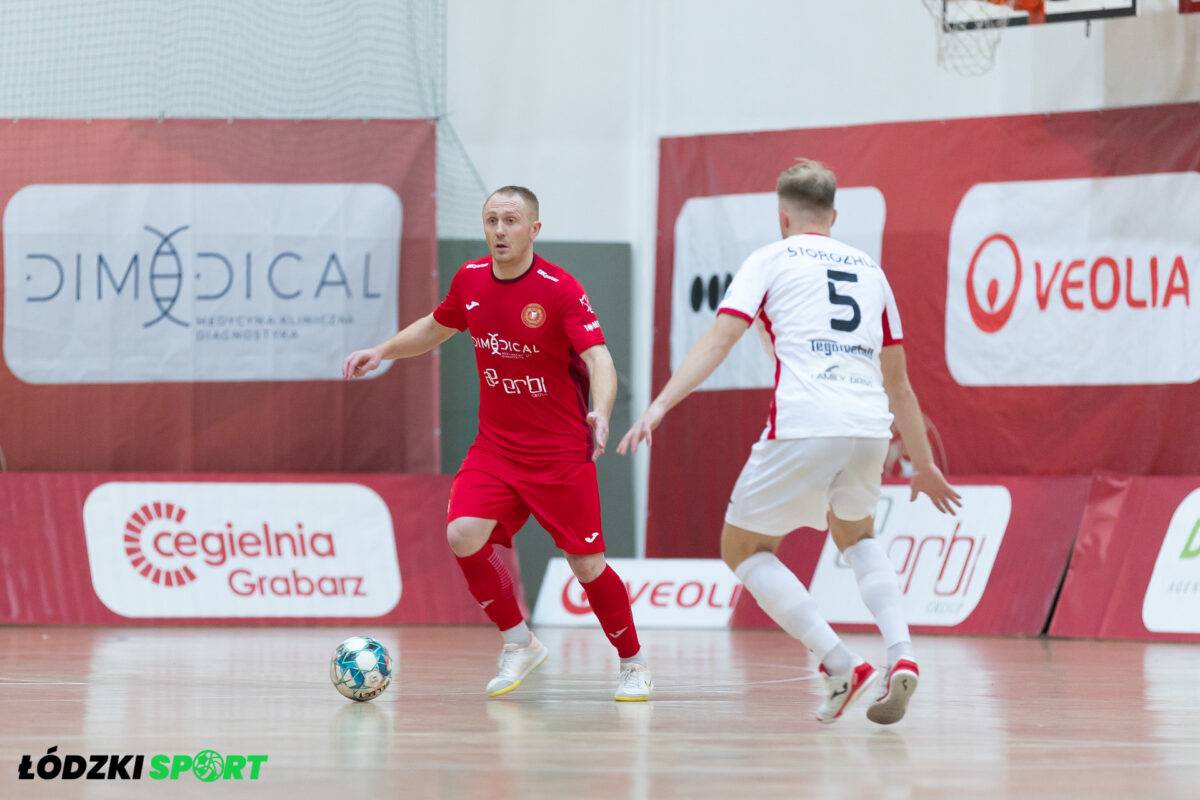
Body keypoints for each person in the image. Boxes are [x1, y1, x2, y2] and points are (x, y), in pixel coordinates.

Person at [618, 160, 960, 723]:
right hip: (869, 425)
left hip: (806, 421)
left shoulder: (770, 259)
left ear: (782, 215)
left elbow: (719, 339)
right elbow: (898, 381)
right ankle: (903, 655)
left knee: (744, 549)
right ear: (834, 214)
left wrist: (658, 404)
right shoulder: (872, 270)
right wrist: (921, 463)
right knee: (857, 533)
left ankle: (842, 664)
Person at [343, 186, 651, 701]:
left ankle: (633, 662)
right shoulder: (469, 279)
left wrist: (601, 408)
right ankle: (519, 642)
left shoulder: (560, 289)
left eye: (510, 221)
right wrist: (384, 350)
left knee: (587, 566)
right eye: (491, 220)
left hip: (558, 453)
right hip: (497, 447)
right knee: (462, 533)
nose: (499, 230)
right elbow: (436, 327)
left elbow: (599, 359)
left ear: (533, 229)